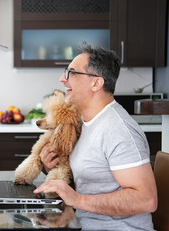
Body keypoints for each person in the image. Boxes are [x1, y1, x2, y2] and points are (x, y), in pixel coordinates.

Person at [34, 44, 158, 230]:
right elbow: (90, 179)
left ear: (96, 83)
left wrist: (78, 200)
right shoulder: (85, 122)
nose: (62, 79)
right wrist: (50, 166)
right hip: (82, 222)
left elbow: (146, 199)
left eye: (71, 73)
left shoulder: (118, 130)